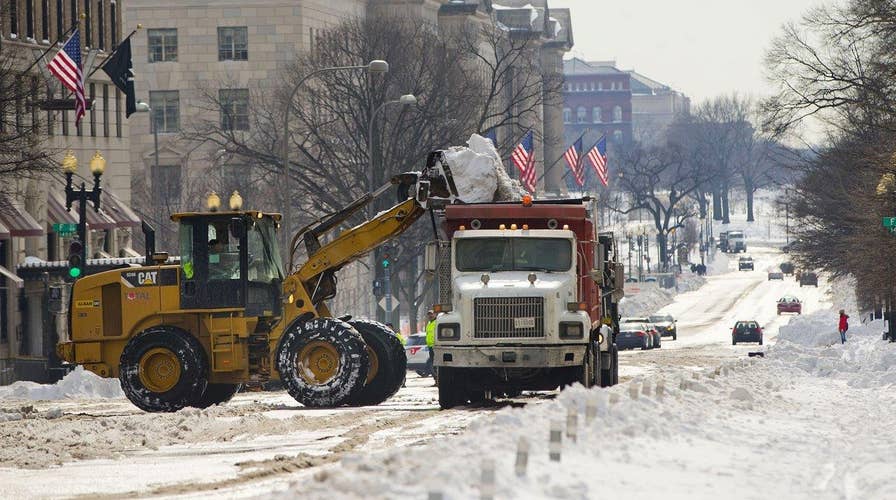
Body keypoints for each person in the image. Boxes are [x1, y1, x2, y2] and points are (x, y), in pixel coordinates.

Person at [425, 309, 437, 382]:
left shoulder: (437, 322)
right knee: (433, 364)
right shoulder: (429, 324)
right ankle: (436, 380)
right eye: (429, 314)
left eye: (431, 314)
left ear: (435, 314)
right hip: (430, 347)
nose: (430, 315)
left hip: (436, 346)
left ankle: (438, 380)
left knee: (436, 364)